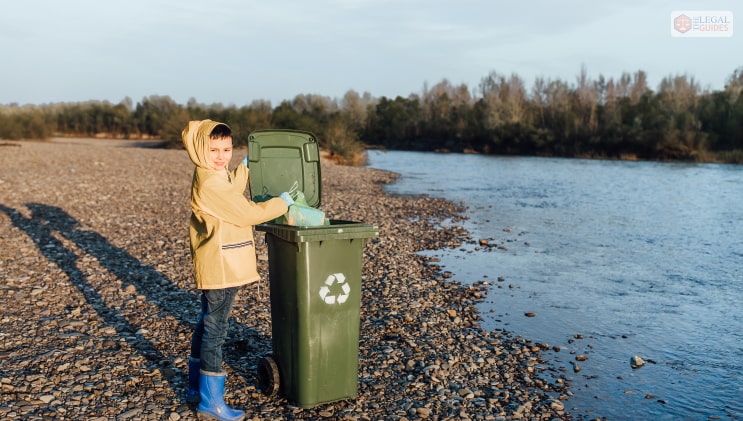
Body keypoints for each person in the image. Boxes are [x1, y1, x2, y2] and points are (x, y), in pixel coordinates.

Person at [181, 120, 294, 421]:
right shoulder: (210, 183)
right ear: (200, 149)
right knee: (215, 331)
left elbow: (230, 189)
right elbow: (243, 213)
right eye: (213, 149)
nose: (221, 156)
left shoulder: (212, 174)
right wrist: (280, 204)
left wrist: (244, 168)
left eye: (227, 149)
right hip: (221, 266)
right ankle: (210, 403)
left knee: (206, 324)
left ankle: (196, 388)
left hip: (216, 263)